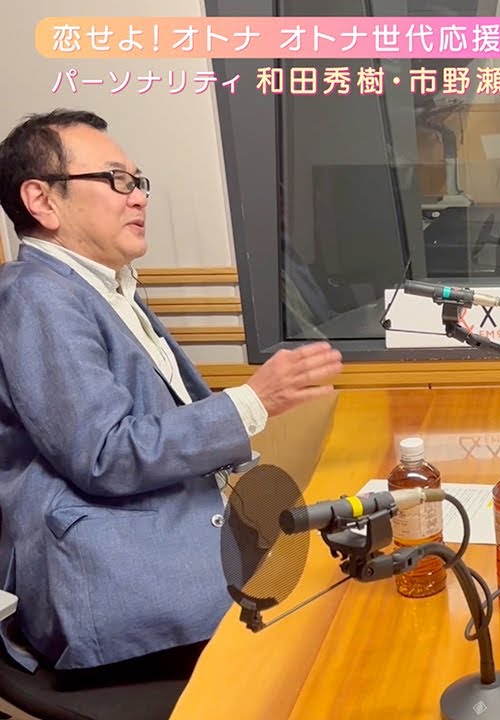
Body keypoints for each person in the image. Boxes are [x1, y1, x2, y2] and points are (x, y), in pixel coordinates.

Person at [0, 110, 344, 682]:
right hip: (111, 580)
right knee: (325, 636)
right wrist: (251, 402)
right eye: (116, 180)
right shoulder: (38, 297)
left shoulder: (104, 288)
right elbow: (104, 453)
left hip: (171, 536)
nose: (138, 197)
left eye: (138, 181)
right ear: (42, 200)